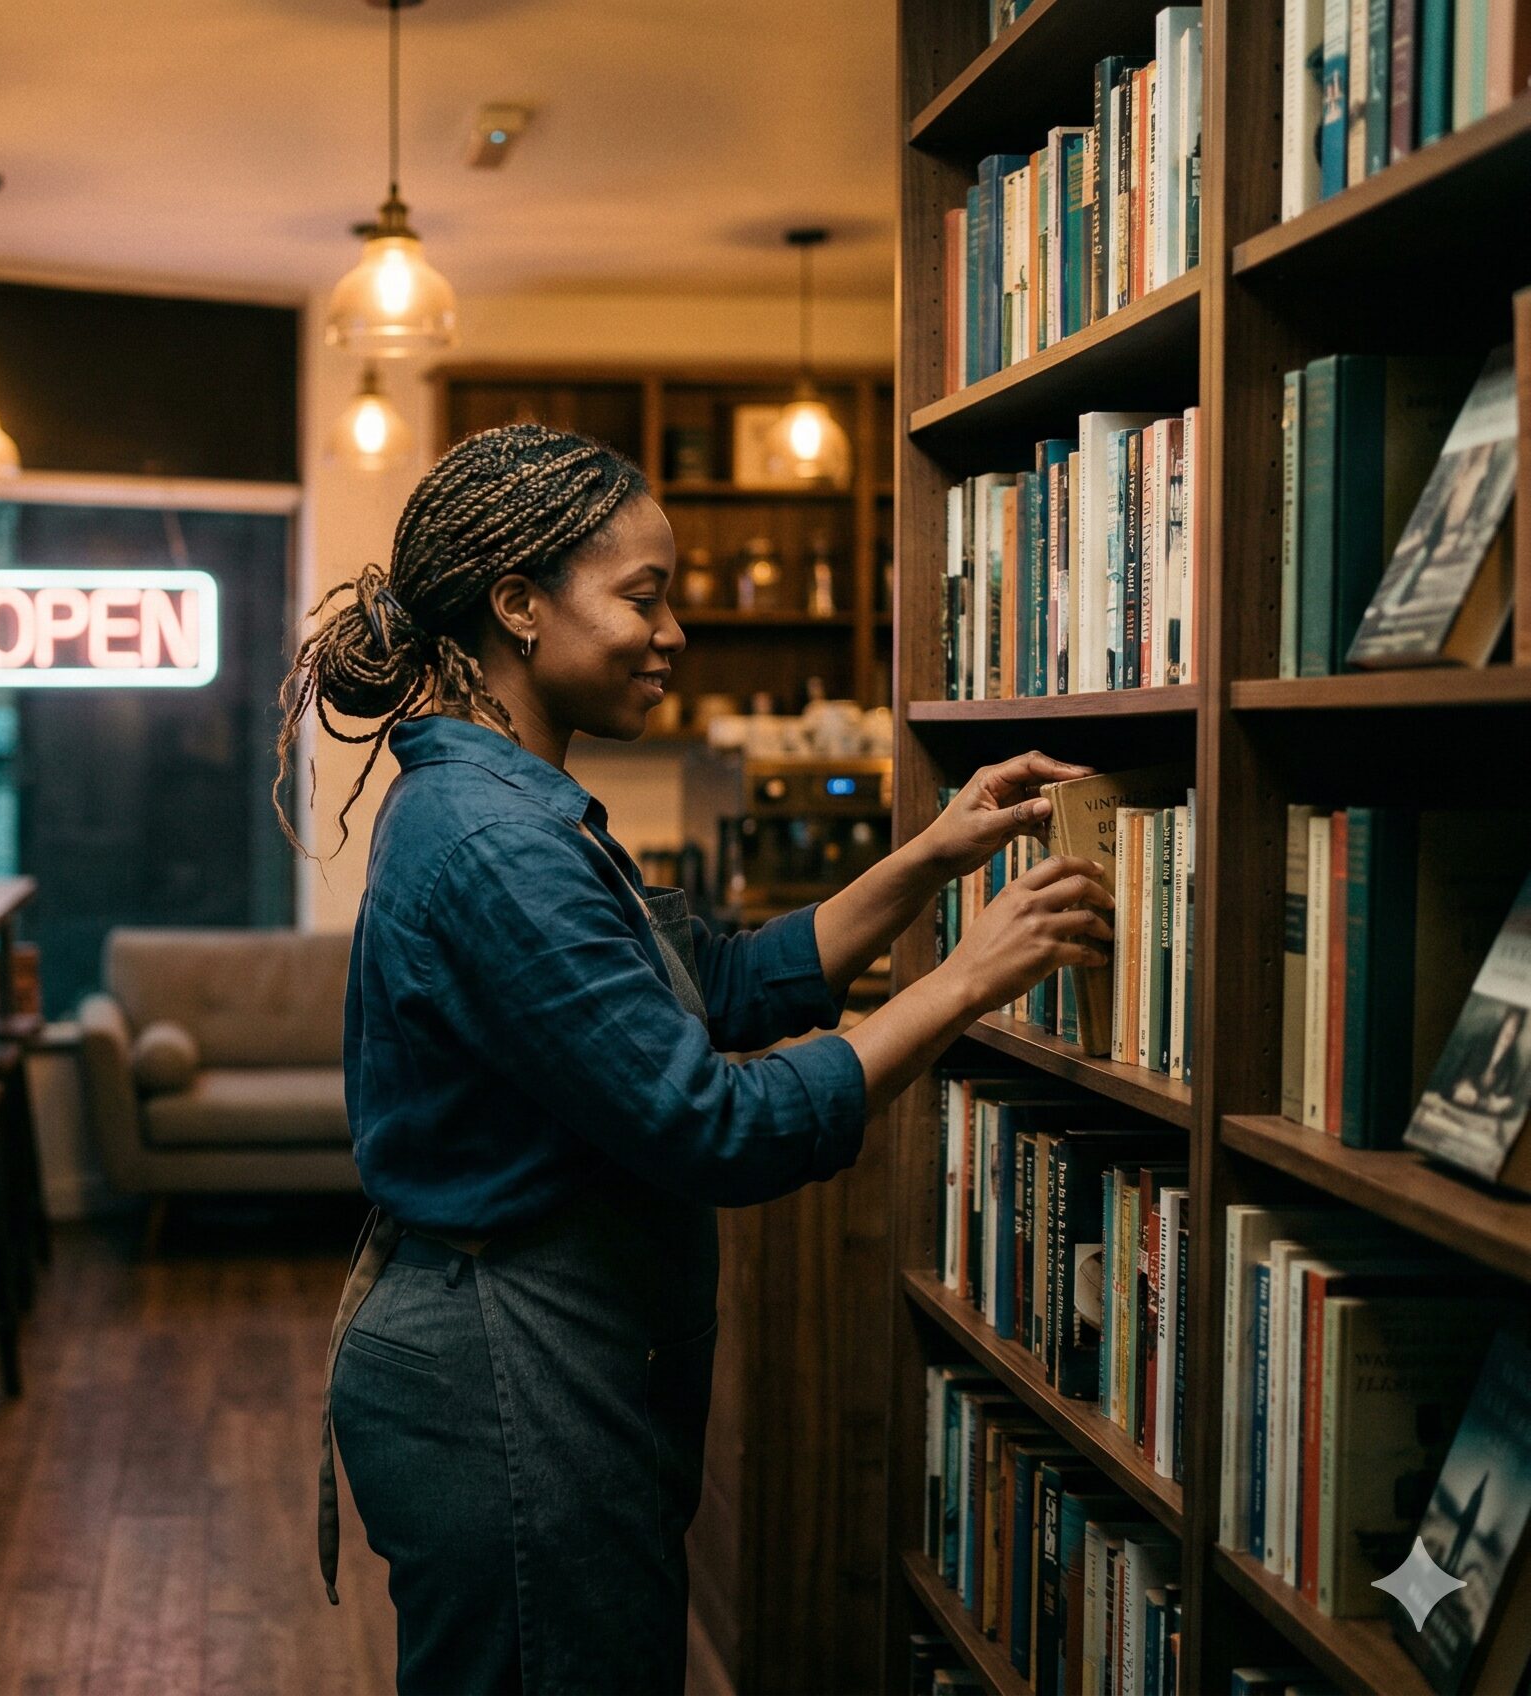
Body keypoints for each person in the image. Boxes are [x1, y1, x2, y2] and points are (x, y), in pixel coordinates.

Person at [282, 425, 1108, 1695]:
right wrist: (964, 978)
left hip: (538, 1353)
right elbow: (712, 1124)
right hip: (503, 1375)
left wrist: (931, 858)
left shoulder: (512, 802)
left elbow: (709, 986)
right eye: (642, 596)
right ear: (517, 605)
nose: (673, 633)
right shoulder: (492, 839)